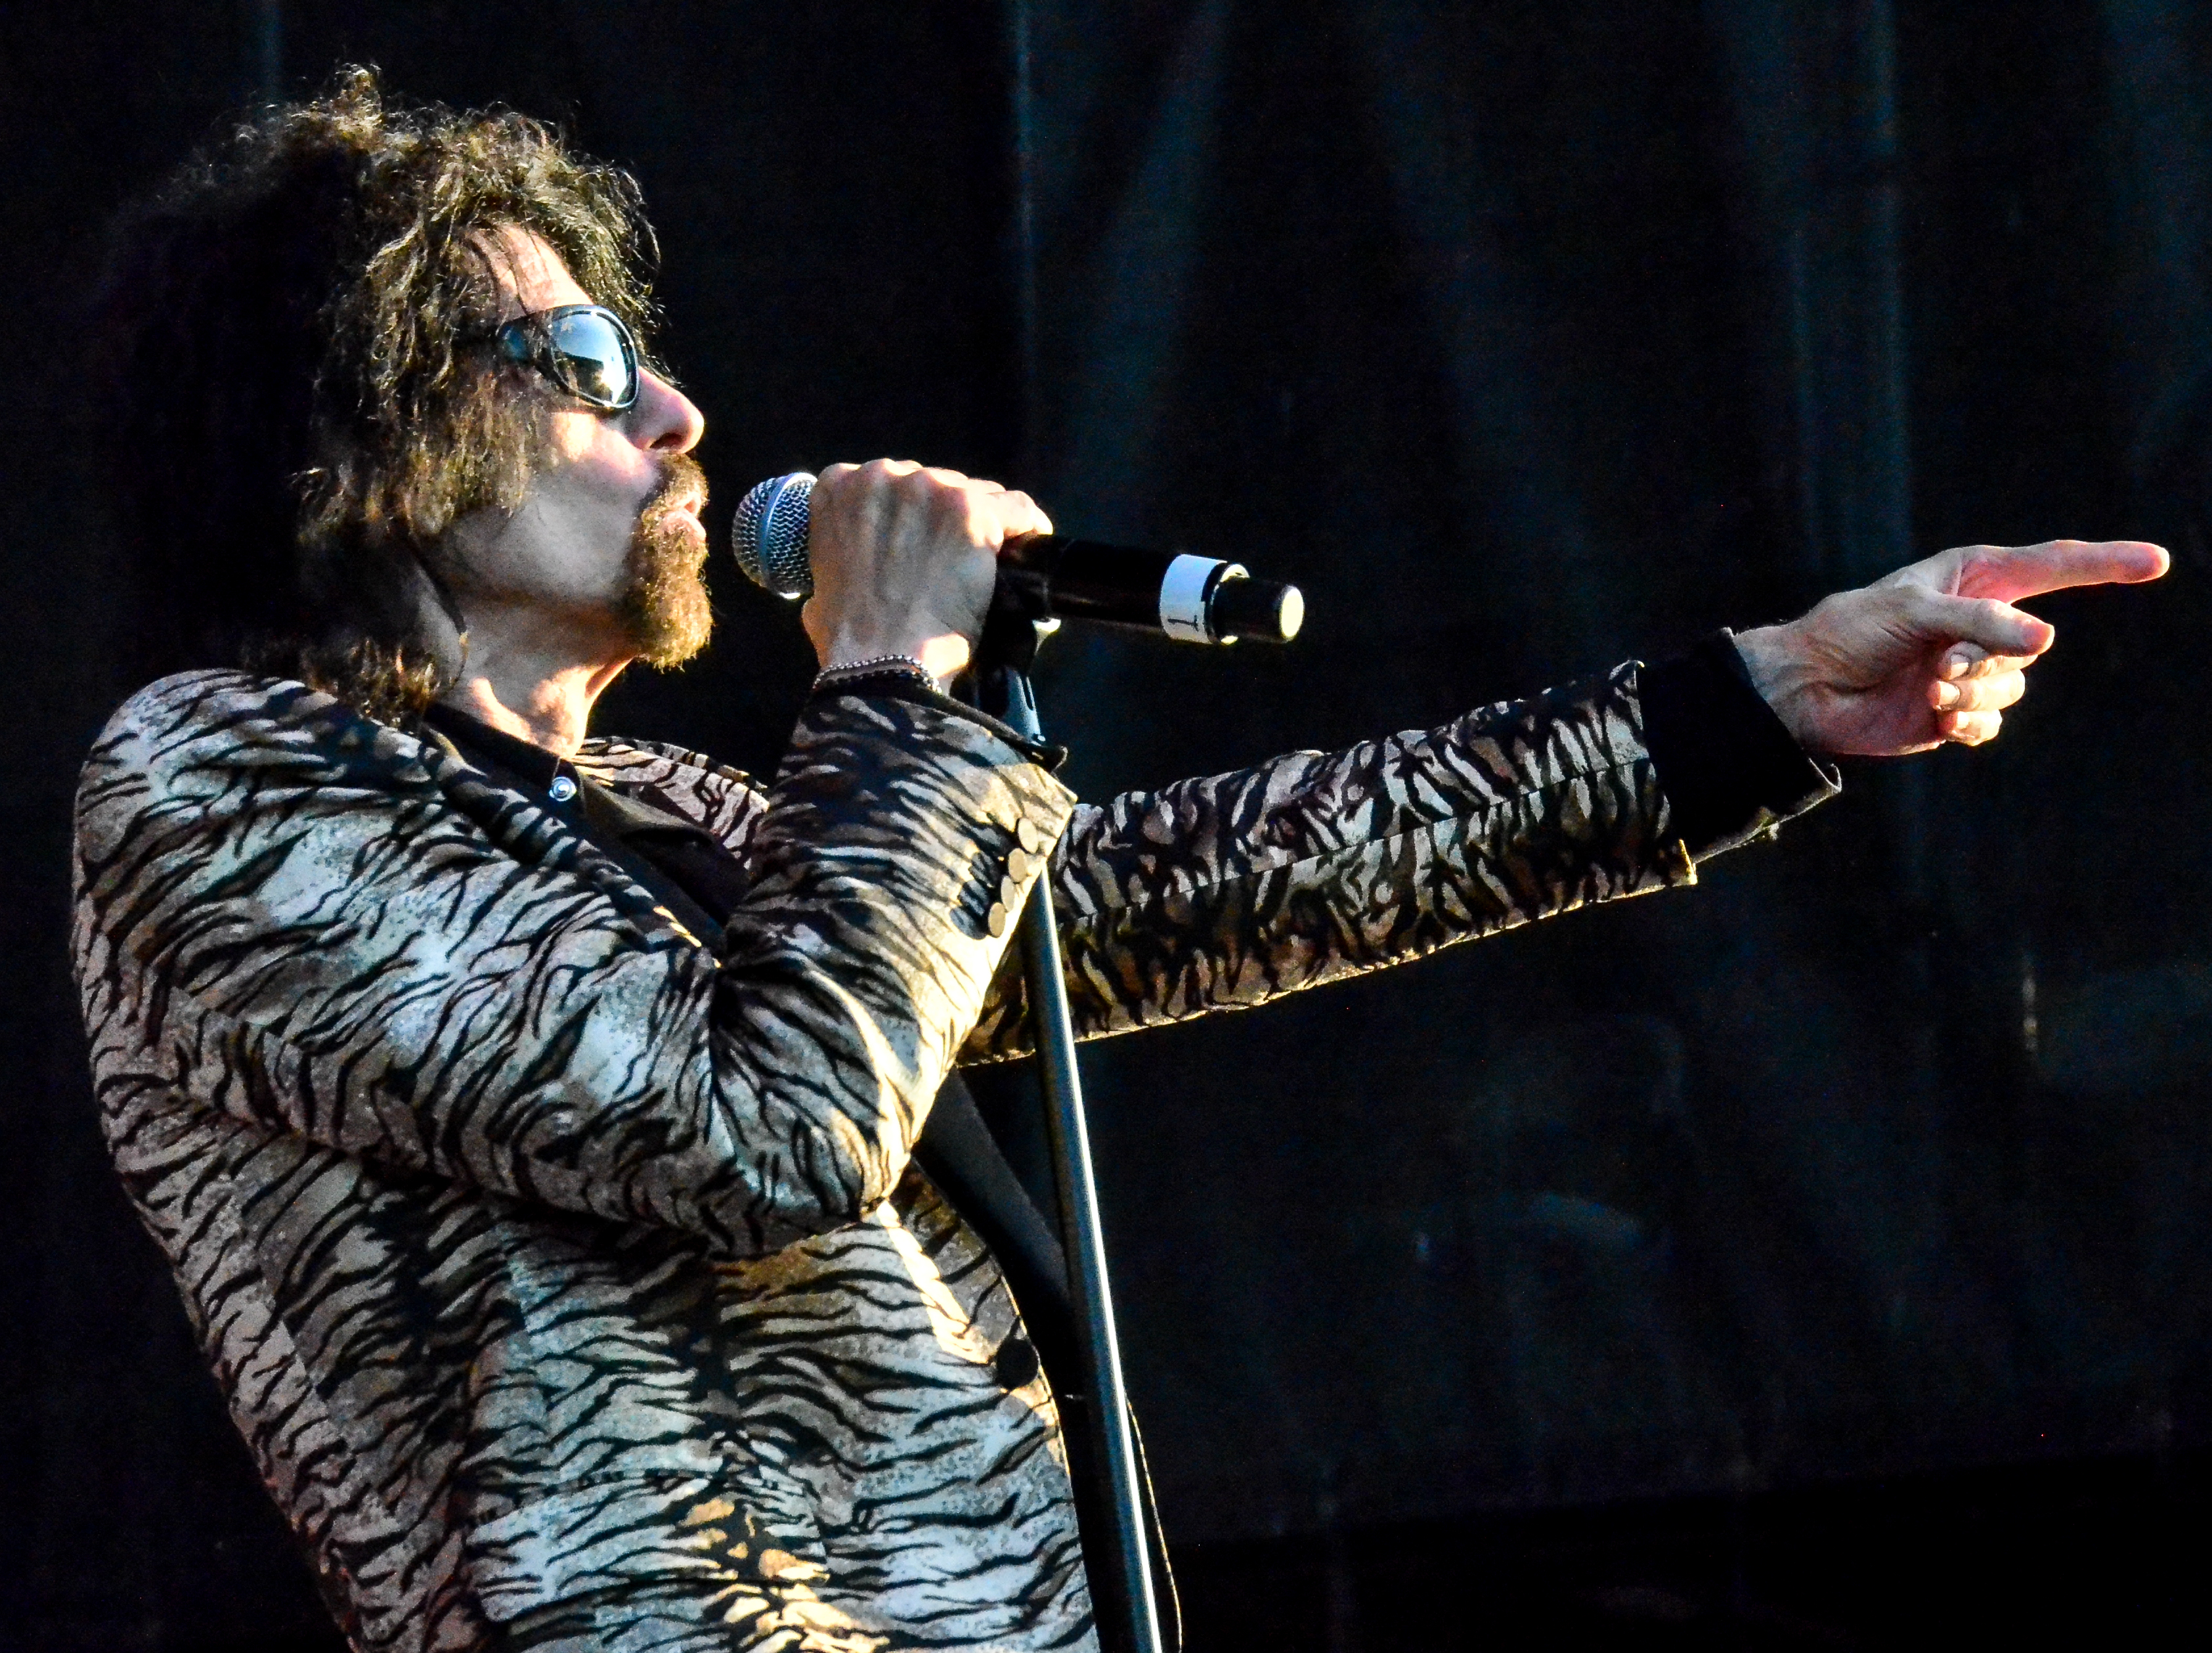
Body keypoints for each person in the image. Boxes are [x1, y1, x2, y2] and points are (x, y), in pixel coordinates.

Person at [72, 74, 2165, 1653]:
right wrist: (893, 677)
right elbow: (755, 1122)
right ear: (349, 436)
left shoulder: (682, 825)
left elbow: (1168, 890)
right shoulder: (218, 792)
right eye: (584, 365)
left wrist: (1760, 694)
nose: (684, 422)